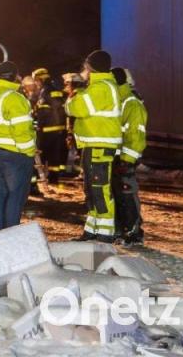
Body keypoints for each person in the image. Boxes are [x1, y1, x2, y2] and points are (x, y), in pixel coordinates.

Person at [64, 49, 123, 242]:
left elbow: (75, 108)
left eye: (86, 66)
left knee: (100, 189)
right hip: (94, 144)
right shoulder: (98, 87)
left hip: (100, 145)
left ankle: (105, 234)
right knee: (91, 190)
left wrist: (73, 96)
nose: (84, 69)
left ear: (91, 67)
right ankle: (92, 231)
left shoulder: (101, 87)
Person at [0, 61, 36, 228]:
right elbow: (22, 130)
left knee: (1, 194)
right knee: (15, 195)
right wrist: (29, 152)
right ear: (14, 77)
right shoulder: (14, 98)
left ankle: (0, 231)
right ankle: (11, 233)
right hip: (15, 153)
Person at [111, 67, 146, 245]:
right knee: (119, 194)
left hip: (125, 159)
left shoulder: (132, 103)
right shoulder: (121, 100)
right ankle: (123, 230)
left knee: (127, 194)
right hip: (118, 157)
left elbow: (136, 135)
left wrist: (127, 160)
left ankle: (133, 232)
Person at [32, 68, 70, 186]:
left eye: (36, 80)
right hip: (60, 129)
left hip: (47, 130)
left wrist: (39, 125)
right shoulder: (57, 90)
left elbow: (43, 111)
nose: (36, 83)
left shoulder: (45, 92)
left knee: (40, 154)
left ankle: (36, 177)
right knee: (54, 155)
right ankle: (54, 178)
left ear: (40, 79)